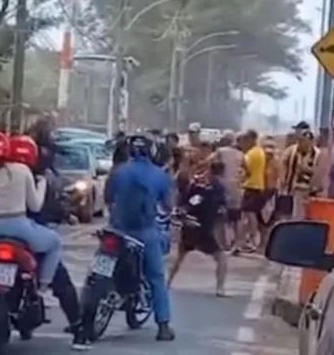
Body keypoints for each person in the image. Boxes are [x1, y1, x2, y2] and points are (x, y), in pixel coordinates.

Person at [0, 130, 63, 303]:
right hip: (20, 226)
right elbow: (35, 205)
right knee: (55, 243)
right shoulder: (22, 170)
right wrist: (41, 185)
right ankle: (43, 288)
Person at [8, 134, 87, 348]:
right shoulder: (40, 181)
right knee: (60, 280)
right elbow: (50, 207)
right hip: (31, 237)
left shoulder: (0, 174)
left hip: (2, 235)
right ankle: (78, 328)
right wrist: (66, 214)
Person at [105, 134, 175, 341]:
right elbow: (168, 206)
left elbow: (108, 199)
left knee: (101, 263)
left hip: (117, 230)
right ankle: (163, 325)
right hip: (145, 232)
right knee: (156, 277)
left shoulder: (118, 172)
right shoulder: (160, 175)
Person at [167, 168, 228, 296]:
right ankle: (220, 288)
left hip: (194, 229)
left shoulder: (197, 192)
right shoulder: (208, 193)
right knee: (221, 257)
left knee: (179, 257)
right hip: (201, 230)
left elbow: (182, 210)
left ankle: (167, 282)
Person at [208, 131, 245, 251]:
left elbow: (210, 163)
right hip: (236, 188)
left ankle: (222, 243)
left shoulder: (220, 152)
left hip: (222, 187)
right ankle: (238, 243)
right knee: (236, 218)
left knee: (220, 217)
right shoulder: (241, 154)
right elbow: (247, 170)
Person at [234, 130, 266, 254]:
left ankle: (252, 240)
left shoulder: (250, 155)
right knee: (250, 215)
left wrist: (239, 182)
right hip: (258, 185)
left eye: (242, 141)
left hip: (251, 186)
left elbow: (245, 171)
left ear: (250, 140)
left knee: (249, 214)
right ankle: (247, 240)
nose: (241, 144)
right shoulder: (259, 151)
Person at [281, 130, 320, 220]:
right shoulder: (292, 150)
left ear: (311, 142)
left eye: (305, 141)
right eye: (301, 141)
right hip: (293, 187)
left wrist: (307, 169)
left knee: (304, 213)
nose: (302, 143)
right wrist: (283, 178)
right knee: (292, 213)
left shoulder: (317, 153)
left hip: (308, 189)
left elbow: (319, 171)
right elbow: (283, 162)